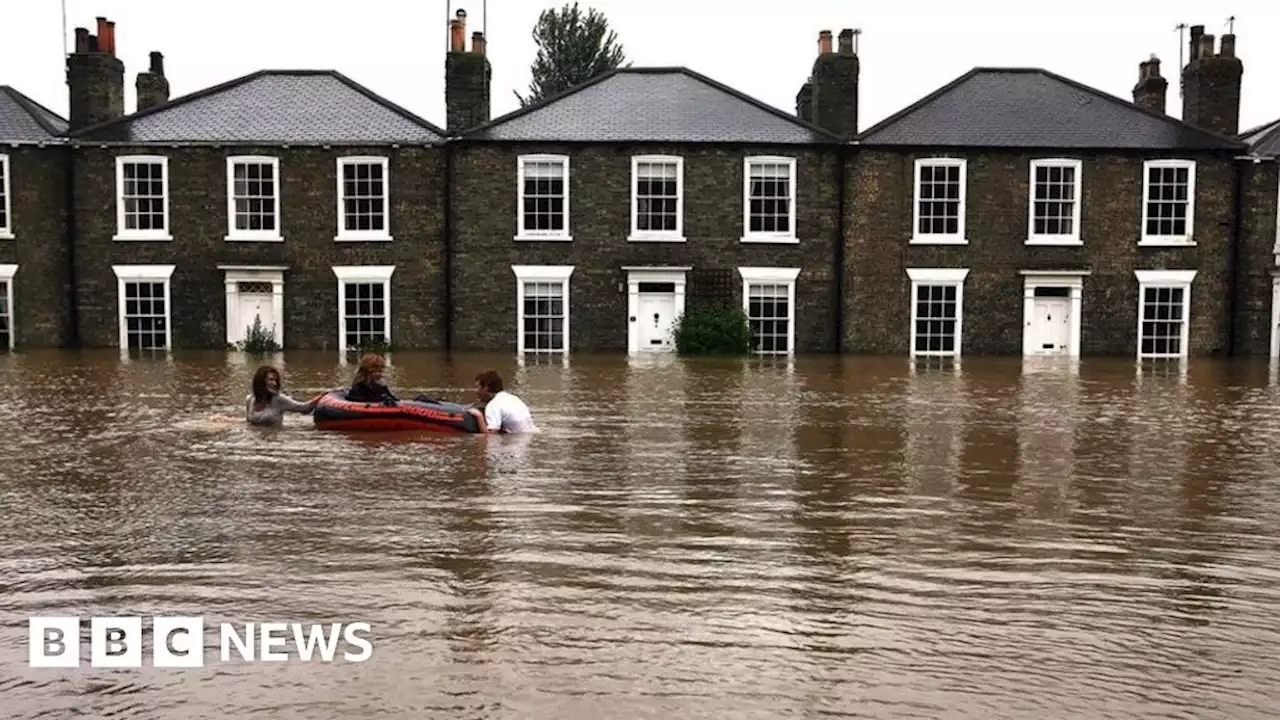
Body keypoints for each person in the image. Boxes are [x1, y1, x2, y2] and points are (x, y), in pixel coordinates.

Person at [245, 365, 322, 427]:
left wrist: (323, 396)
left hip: (274, 440)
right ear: (260, 381)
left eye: (276, 380)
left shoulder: (279, 399)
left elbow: (305, 407)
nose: (274, 383)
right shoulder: (250, 399)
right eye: (271, 380)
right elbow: (249, 424)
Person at [473, 369, 537, 434]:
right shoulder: (513, 398)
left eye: (477, 387)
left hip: (518, 439)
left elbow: (491, 435)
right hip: (531, 434)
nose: (475, 391)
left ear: (486, 387)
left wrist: (479, 416)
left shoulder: (493, 405)